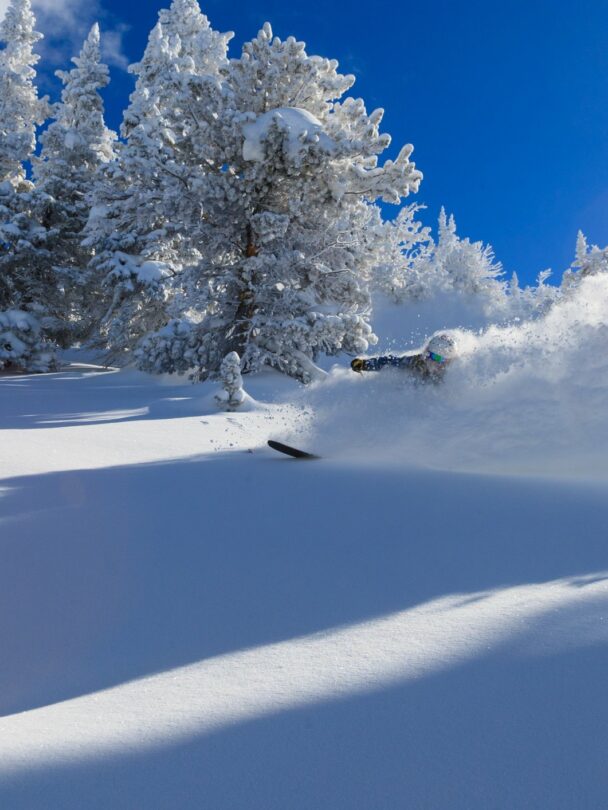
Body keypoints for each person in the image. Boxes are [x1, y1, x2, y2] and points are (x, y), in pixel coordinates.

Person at [351, 333, 458, 383]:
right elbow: (389, 362)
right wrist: (365, 364)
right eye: (431, 355)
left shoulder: (454, 374)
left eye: (439, 359)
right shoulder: (417, 363)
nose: (431, 361)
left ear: (448, 361)